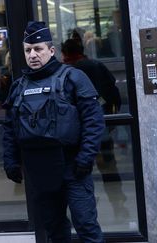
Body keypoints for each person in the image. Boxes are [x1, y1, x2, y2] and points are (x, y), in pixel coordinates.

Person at [3, 21, 105, 243]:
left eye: (38, 49)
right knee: (54, 229)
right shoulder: (19, 86)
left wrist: (86, 158)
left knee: (86, 225)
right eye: (28, 50)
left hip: (73, 166)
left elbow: (93, 122)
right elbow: (10, 128)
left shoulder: (73, 78)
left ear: (51, 51)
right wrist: (10, 161)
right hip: (40, 169)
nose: (33, 55)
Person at [61, 38, 128, 219]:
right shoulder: (96, 66)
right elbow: (113, 94)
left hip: (74, 135)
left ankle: (80, 216)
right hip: (99, 130)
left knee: (76, 177)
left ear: (64, 53)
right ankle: (119, 206)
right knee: (109, 169)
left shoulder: (63, 73)